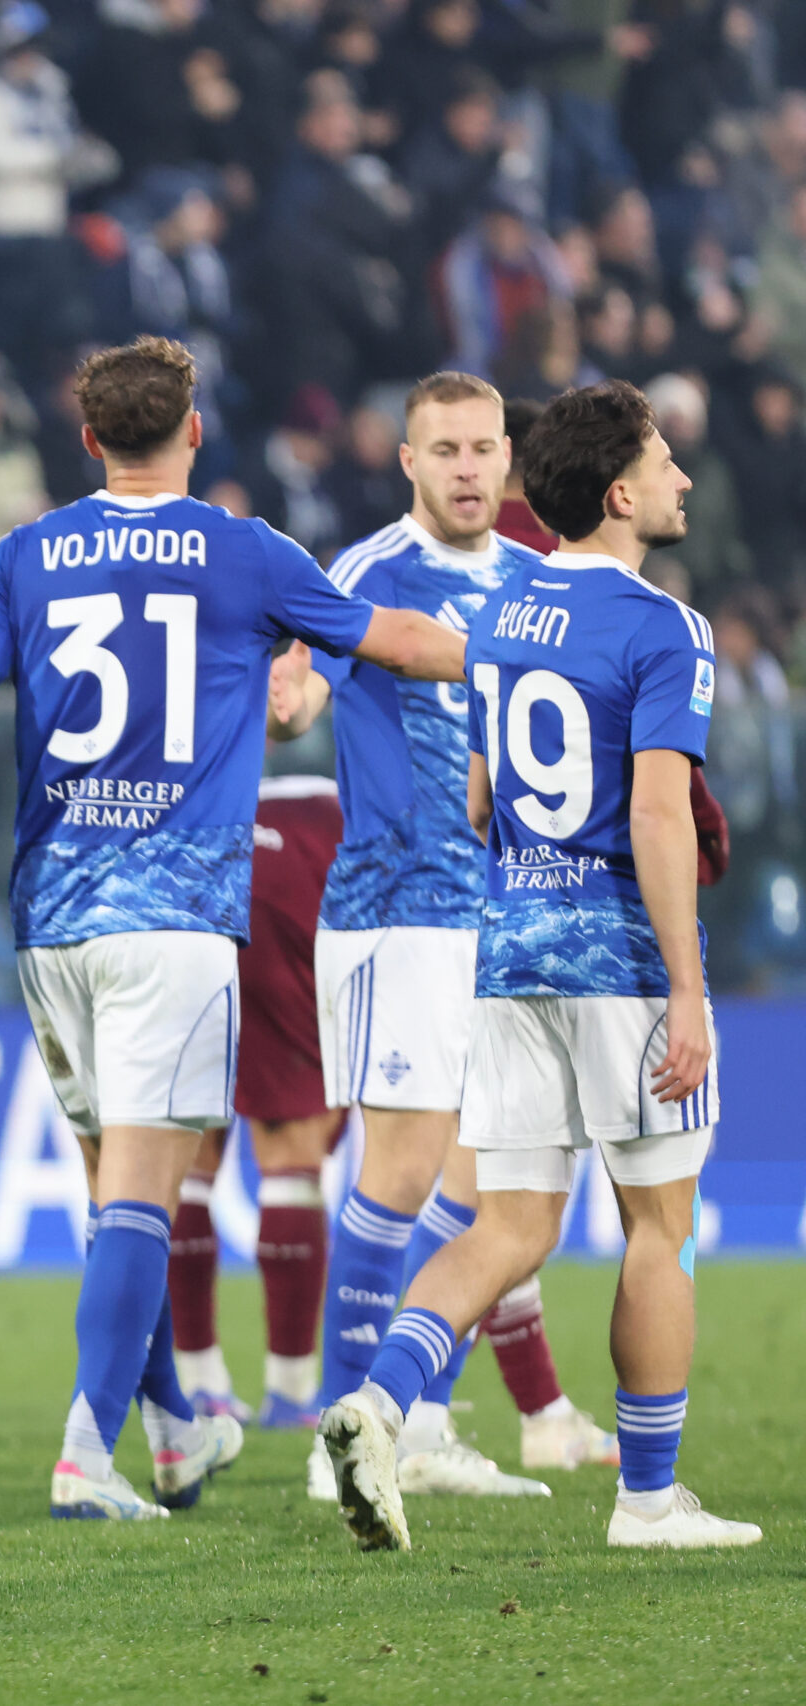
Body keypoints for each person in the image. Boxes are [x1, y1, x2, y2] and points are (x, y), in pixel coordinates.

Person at [0, 337, 467, 1521]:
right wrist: (549, 657)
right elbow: (399, 643)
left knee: (116, 1193)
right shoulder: (246, 551)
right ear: (194, 430)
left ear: (88, 438)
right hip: (173, 920)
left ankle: (170, 1429)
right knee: (142, 1198)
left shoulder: (24, 553)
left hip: (54, 918)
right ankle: (83, 1456)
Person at [319, 379, 760, 1553]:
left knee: (507, 1223)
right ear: (617, 494)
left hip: (507, 947)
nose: (678, 479)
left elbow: (478, 799)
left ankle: (376, 1402)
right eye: (661, 463)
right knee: (658, 1225)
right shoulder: (665, 627)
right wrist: (685, 989)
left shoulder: (503, 611)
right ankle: (648, 1500)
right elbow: (658, 817)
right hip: (619, 957)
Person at [270, 372, 623, 1499]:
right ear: (408, 463)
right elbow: (302, 687)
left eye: (482, 449)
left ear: (508, 459)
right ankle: (340, 1440)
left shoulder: (534, 579)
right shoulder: (369, 572)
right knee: (403, 1168)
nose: (467, 469)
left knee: (486, 1187)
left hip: (505, 918)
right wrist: (290, 695)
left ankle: (414, 1425)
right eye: (445, 451)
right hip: (399, 911)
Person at [165, 773, 348, 1431]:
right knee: (291, 1153)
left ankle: (198, 1381)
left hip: (195, 831)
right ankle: (291, 1392)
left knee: (186, 1150)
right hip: (315, 834)